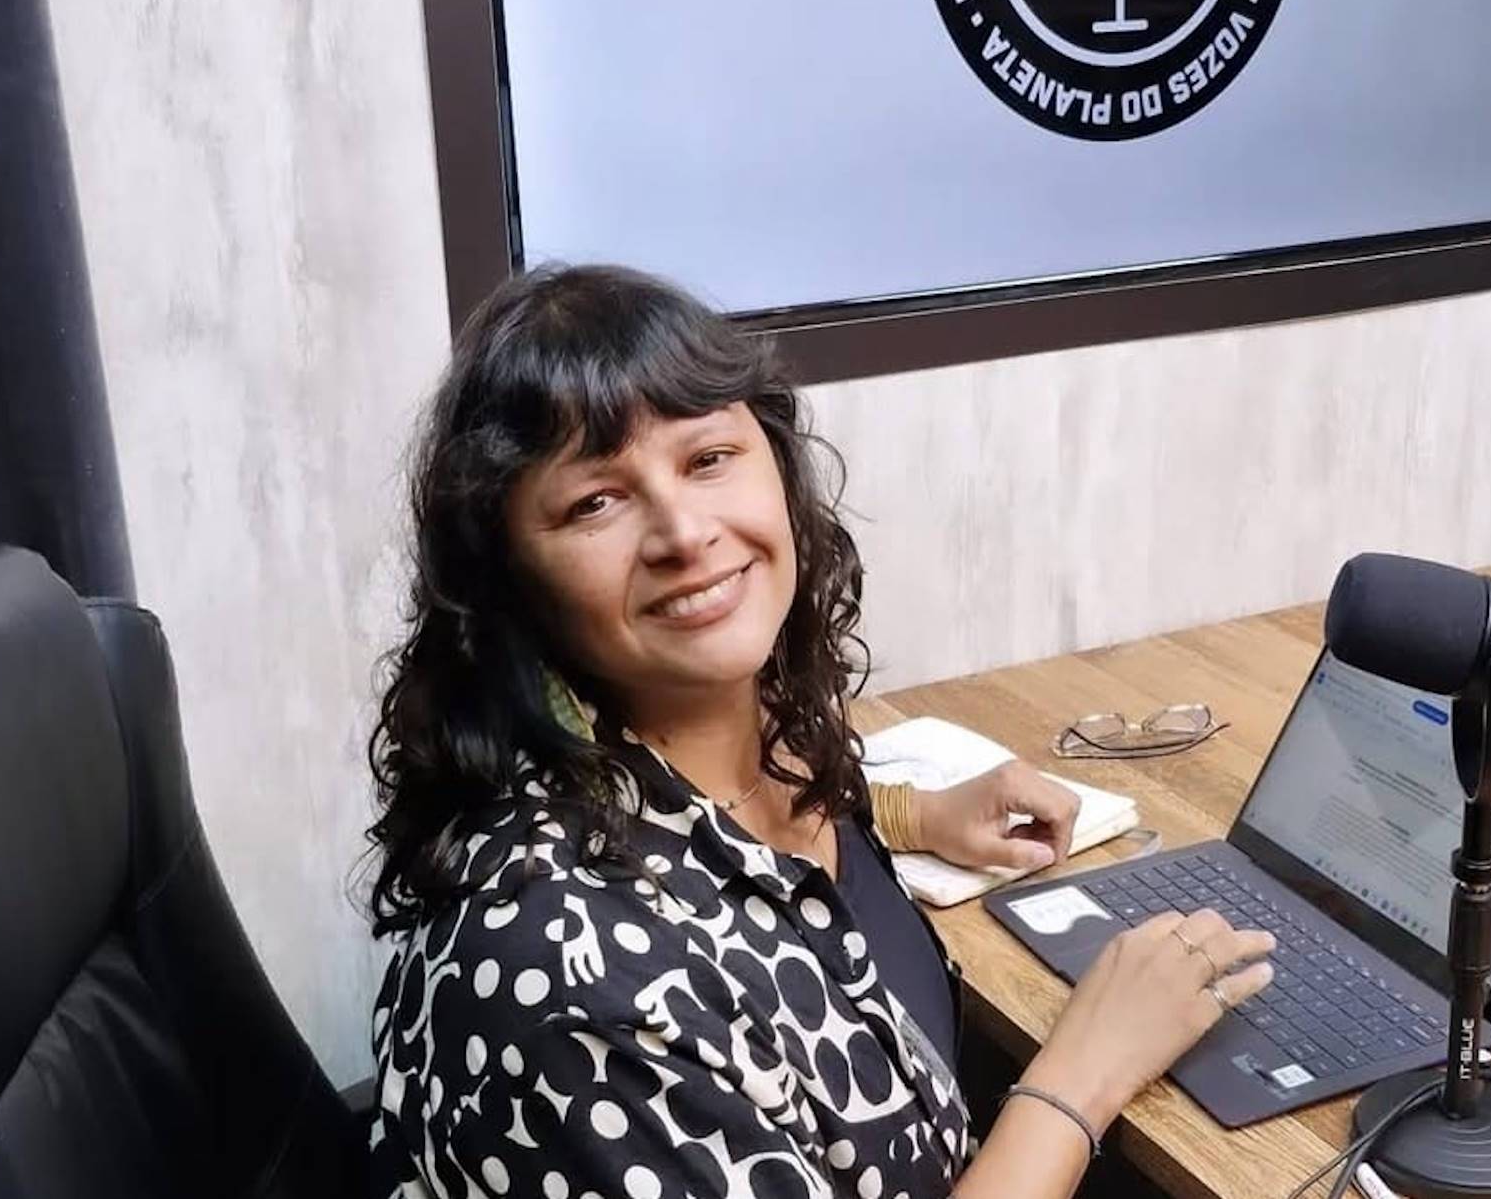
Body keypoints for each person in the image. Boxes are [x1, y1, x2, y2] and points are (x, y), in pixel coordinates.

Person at [364, 265, 1275, 1199]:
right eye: (595, 501)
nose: (684, 531)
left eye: (708, 458)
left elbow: (736, 858)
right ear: (510, 579)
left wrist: (913, 813)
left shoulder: (745, 732)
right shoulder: (570, 979)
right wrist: (1084, 1075)